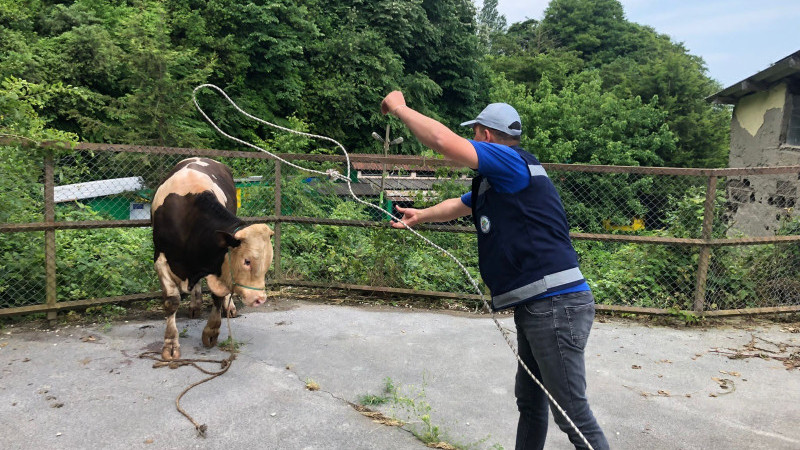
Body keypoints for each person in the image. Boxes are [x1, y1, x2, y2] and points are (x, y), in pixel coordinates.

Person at [381, 90, 609, 450]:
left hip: (556, 305)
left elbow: (443, 141)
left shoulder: (508, 161)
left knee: (572, 416)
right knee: (531, 403)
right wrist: (421, 215)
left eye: (474, 133)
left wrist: (400, 108)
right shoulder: (502, 181)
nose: (472, 139)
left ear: (486, 135)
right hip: (539, 304)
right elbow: (461, 204)